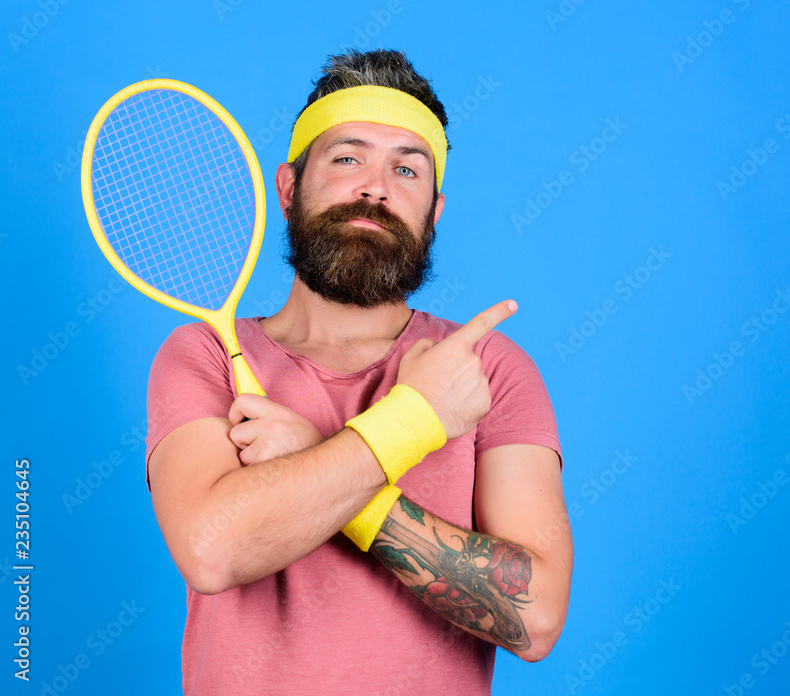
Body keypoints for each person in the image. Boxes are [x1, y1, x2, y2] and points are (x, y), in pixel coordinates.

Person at [144, 48, 573, 695]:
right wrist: (414, 423)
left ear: (434, 211)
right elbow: (212, 550)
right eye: (349, 157)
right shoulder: (205, 354)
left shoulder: (487, 370)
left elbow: (533, 617)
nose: (376, 186)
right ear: (289, 188)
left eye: (407, 168)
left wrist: (337, 458)